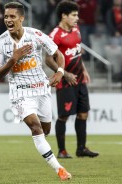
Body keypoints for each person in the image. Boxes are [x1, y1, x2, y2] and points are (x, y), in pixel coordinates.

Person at [0, 2, 71, 181]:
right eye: (6, 17)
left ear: (21, 18)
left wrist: (59, 72)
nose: (8, 20)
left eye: (12, 16)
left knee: (45, 130)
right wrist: (13, 59)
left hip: (41, 89)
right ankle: (59, 169)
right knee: (35, 126)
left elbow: (59, 55)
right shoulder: (0, 42)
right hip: (19, 92)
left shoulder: (35, 35)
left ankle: (43, 145)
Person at [45, 0, 99, 159]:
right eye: (74, 15)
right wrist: (64, 73)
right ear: (64, 15)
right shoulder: (55, 35)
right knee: (64, 116)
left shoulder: (76, 29)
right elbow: (48, 59)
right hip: (65, 81)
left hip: (80, 79)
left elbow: (77, 52)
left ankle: (81, 148)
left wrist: (84, 70)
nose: (77, 18)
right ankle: (61, 151)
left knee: (83, 114)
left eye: (77, 15)